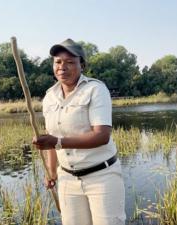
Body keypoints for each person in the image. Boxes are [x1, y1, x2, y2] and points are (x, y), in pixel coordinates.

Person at [32, 38, 126, 225]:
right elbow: (51, 138)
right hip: (67, 178)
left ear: (81, 65)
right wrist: (51, 172)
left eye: (70, 62)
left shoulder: (95, 89)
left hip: (102, 177)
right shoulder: (50, 96)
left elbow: (102, 136)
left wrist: (57, 142)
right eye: (58, 62)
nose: (62, 67)